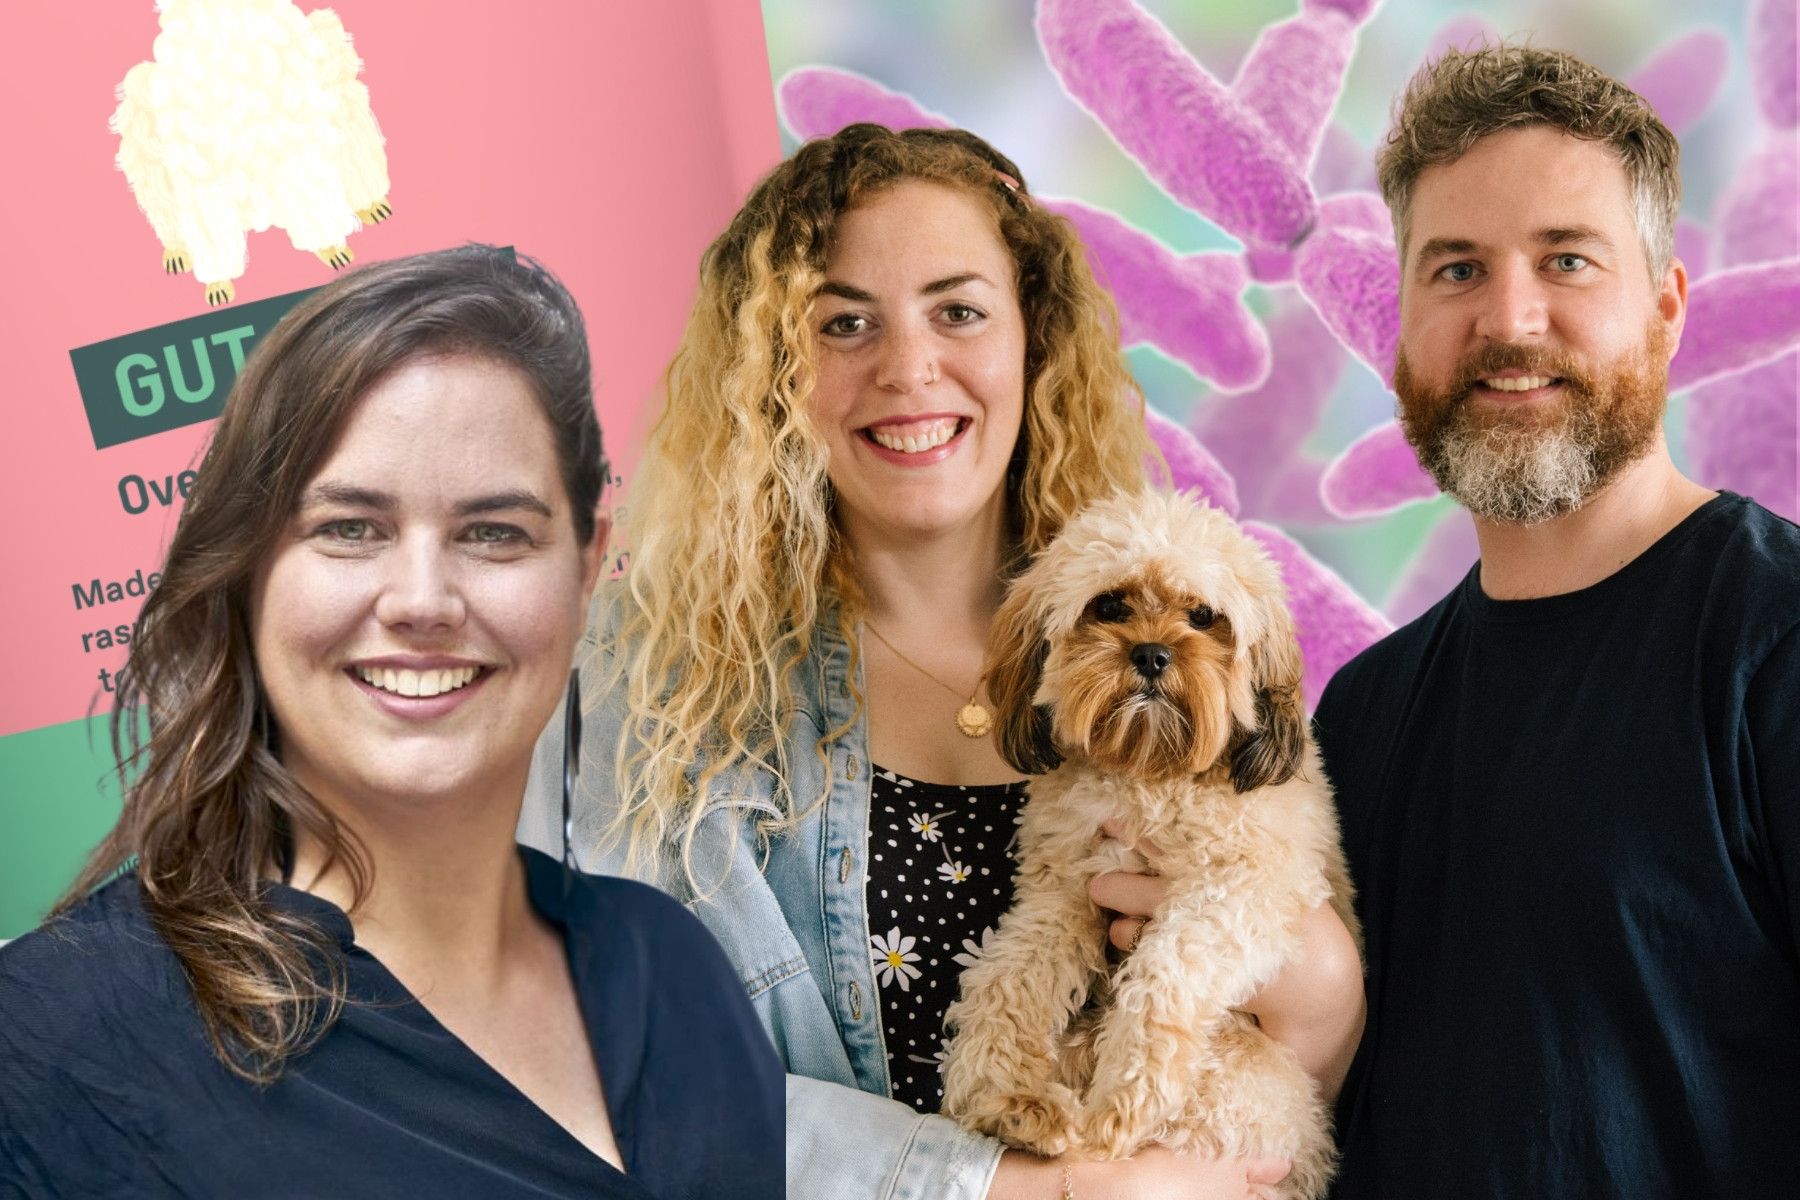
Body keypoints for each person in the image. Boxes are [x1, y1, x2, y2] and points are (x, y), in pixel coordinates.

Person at [519, 124, 1365, 1199]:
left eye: (958, 311)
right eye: (843, 323)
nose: (909, 370)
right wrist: (1022, 1190)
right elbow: (577, 1070)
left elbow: (1281, 1108)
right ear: (773, 368)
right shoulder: (643, 682)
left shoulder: (1208, 645)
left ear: (1032, 341)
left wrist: (1326, 1005)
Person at [0, 246, 783, 1199]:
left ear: (585, 568)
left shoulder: (674, 967)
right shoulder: (53, 1044)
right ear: (247, 570)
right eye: (349, 528)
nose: (423, 600)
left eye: (494, 532)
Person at [1313, 45, 1800, 1197]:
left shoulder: (1772, 647)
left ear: (1668, 307)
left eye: (1566, 260)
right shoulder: (1361, 716)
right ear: (1403, 329)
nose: (1508, 318)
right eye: (1456, 270)